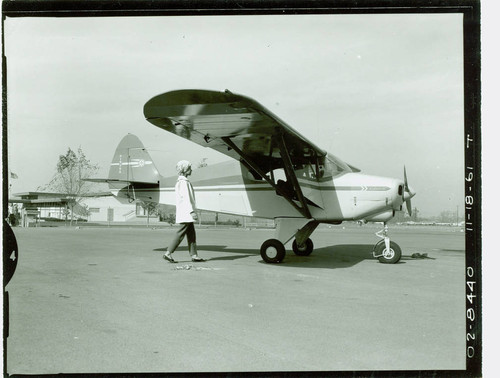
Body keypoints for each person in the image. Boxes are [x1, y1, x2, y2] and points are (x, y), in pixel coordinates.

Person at [163, 160, 204, 263]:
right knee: (180, 233)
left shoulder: (181, 182)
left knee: (191, 234)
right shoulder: (183, 183)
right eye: (190, 168)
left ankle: (194, 255)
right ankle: (168, 253)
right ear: (185, 170)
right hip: (186, 212)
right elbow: (186, 198)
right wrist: (191, 211)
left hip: (185, 212)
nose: (191, 170)